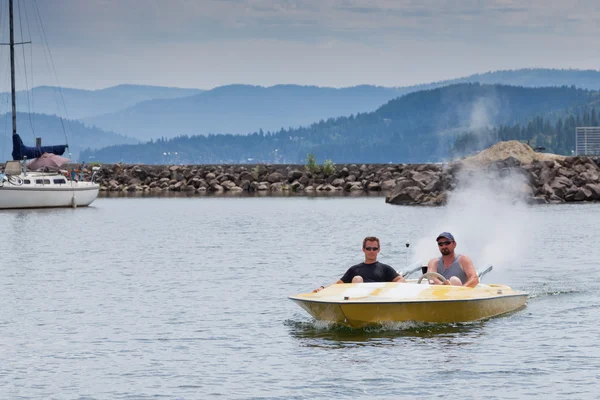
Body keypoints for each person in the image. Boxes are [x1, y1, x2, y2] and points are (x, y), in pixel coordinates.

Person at [314, 236, 405, 292]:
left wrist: (389, 288)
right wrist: (323, 288)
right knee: (357, 279)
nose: (371, 251)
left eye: (374, 248)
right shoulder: (354, 269)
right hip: (358, 301)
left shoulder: (385, 268)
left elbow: (401, 280)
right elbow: (338, 284)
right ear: (363, 249)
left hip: (379, 299)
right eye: (368, 248)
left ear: (378, 250)